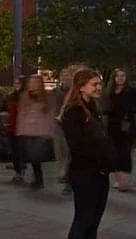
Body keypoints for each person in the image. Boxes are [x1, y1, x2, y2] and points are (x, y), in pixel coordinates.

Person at [59, 65, 115, 239]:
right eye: (94, 84)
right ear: (81, 87)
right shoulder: (73, 111)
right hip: (85, 173)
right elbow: (78, 145)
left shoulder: (93, 107)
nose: (99, 87)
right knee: (84, 219)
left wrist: (110, 159)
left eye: (99, 84)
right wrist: (101, 158)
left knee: (94, 220)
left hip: (100, 172)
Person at [102, 68, 136, 191]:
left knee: (125, 154)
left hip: (127, 126)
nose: (120, 78)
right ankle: (119, 179)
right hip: (113, 127)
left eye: (122, 76)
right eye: (117, 76)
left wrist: (127, 108)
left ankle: (125, 180)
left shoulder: (132, 91)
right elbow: (105, 108)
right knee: (114, 154)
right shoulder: (109, 92)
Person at [15, 74, 55, 189]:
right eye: (31, 82)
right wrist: (20, 129)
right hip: (28, 130)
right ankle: (37, 179)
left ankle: (38, 179)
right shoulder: (24, 96)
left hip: (41, 131)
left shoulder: (47, 97)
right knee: (32, 157)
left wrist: (50, 131)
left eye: (35, 82)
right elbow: (21, 114)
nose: (33, 85)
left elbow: (50, 115)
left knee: (36, 155)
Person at [52, 65, 77, 195]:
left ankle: (69, 182)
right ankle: (65, 174)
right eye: (64, 76)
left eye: (68, 76)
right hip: (59, 126)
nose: (66, 78)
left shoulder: (76, 92)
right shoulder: (56, 92)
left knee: (70, 154)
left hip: (73, 127)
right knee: (60, 152)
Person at [5, 75, 25, 183]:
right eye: (15, 83)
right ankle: (18, 171)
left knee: (20, 151)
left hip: (22, 127)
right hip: (11, 127)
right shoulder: (10, 96)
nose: (16, 85)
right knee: (13, 151)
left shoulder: (26, 96)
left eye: (19, 83)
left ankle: (21, 171)